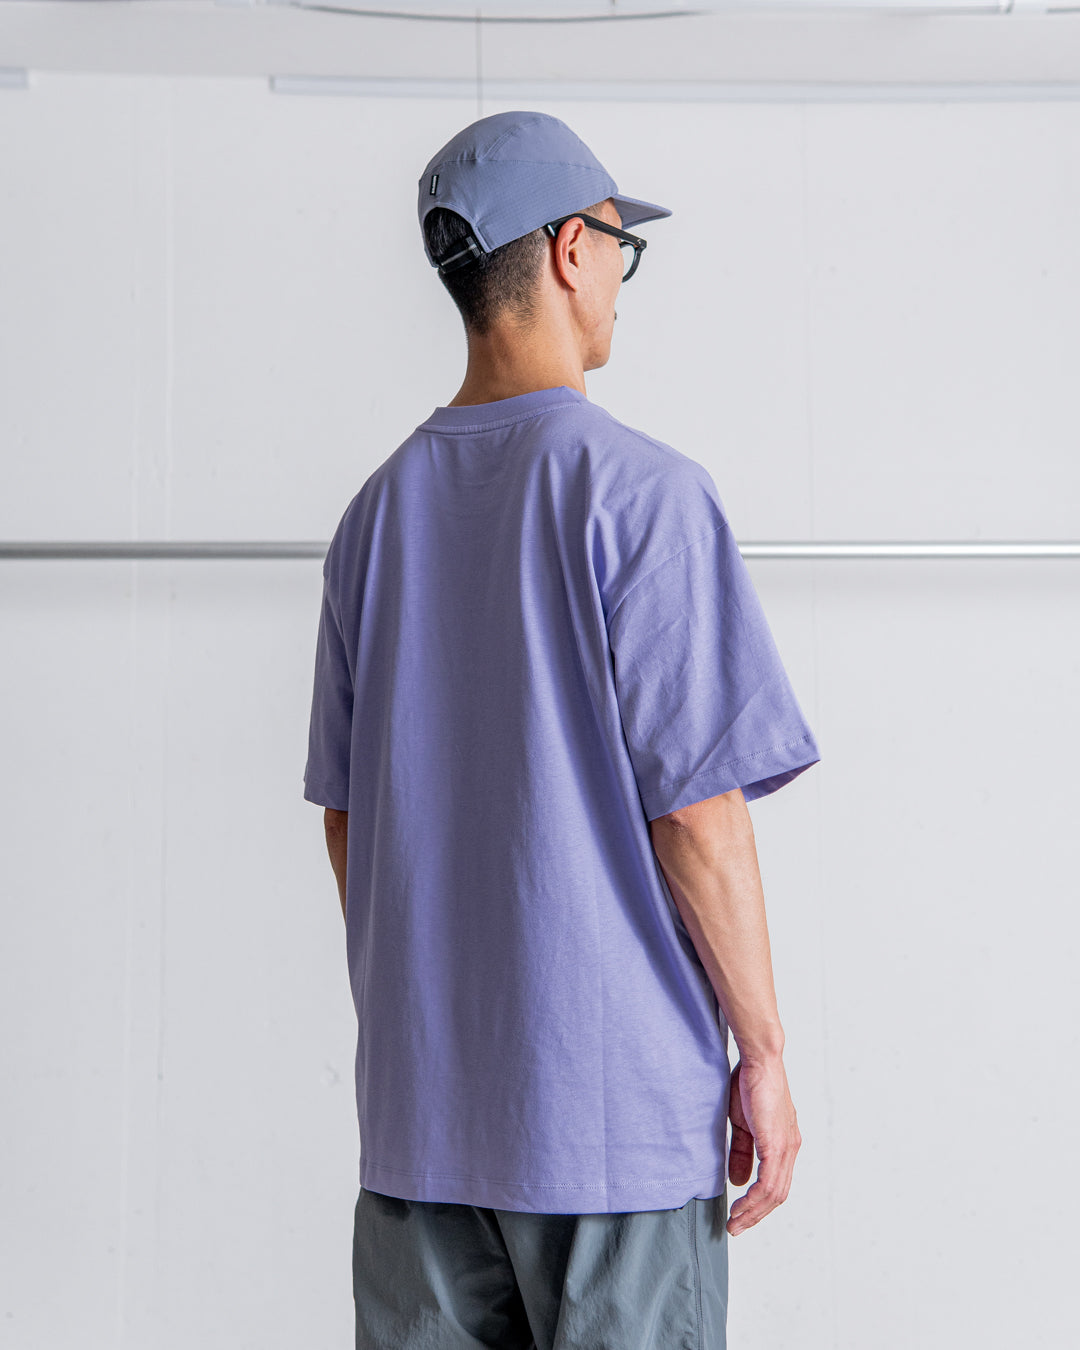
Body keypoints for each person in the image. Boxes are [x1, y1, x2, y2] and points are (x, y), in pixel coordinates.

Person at [304, 109, 821, 1350]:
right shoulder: (644, 495)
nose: (621, 282)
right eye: (617, 247)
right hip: (611, 1128)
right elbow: (697, 814)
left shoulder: (373, 519)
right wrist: (762, 1053)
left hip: (422, 1131)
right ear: (570, 248)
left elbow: (347, 821)